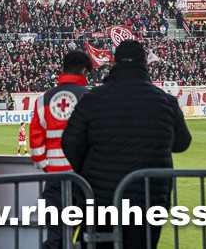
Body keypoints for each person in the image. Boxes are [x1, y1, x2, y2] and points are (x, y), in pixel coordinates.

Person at [62, 39, 191, 249]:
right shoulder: (165, 101)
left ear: (113, 62)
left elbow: (70, 141)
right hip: (149, 198)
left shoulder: (93, 99)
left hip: (101, 198)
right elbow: (182, 143)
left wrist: (89, 170)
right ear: (145, 64)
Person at [29, 49, 92, 249]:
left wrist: (45, 166)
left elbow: (35, 139)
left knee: (56, 235)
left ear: (63, 69)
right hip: (83, 178)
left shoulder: (43, 99)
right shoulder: (91, 97)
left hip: (55, 178)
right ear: (84, 71)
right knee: (87, 236)